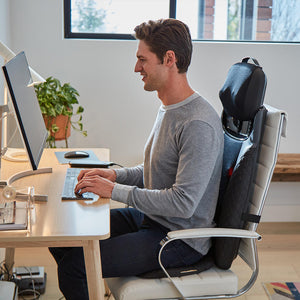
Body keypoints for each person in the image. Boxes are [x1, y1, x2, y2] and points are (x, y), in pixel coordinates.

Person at [49, 18, 224, 300]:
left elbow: (184, 203)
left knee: (75, 267)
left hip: (179, 238)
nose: (136, 68)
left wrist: (115, 191)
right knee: (64, 238)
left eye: (142, 60)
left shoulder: (197, 123)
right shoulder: (169, 108)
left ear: (169, 59)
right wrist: (115, 176)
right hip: (154, 219)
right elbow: (158, 169)